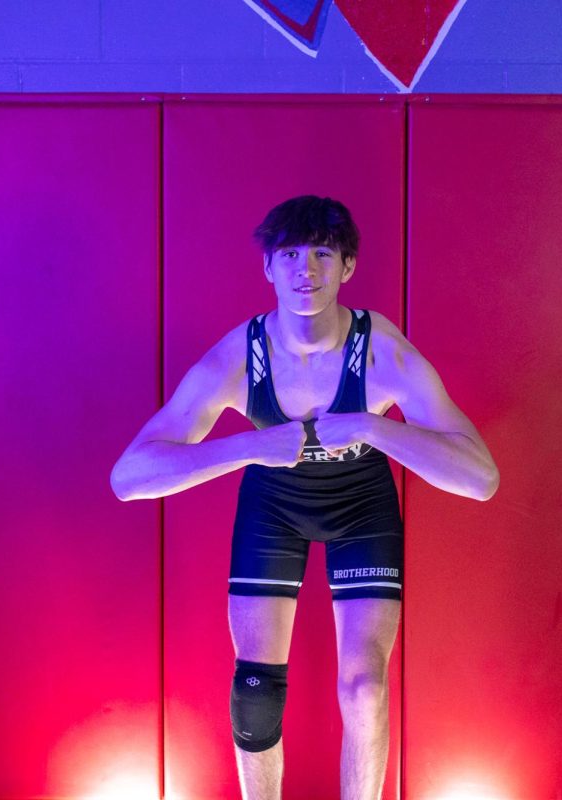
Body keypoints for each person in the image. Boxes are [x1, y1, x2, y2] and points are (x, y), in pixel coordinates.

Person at [110, 195, 498, 800]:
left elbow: (481, 477)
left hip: (360, 505)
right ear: (268, 268)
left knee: (365, 687)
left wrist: (374, 427)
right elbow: (129, 477)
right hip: (274, 508)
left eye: (323, 254)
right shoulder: (240, 358)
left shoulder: (381, 352)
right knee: (257, 689)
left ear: (347, 267)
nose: (305, 271)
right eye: (290, 254)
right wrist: (247, 448)